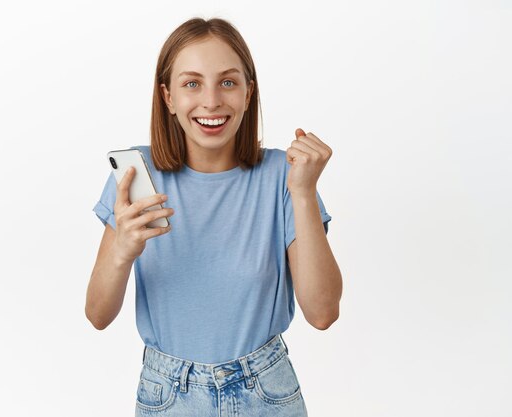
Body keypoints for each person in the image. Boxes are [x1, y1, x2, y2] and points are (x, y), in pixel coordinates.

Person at [85, 17, 342, 417]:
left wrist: (304, 192)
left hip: (266, 391)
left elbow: (323, 313)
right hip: (167, 394)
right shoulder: (139, 176)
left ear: (247, 92)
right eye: (192, 84)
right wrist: (123, 250)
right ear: (167, 97)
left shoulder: (284, 175)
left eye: (227, 82)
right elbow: (98, 315)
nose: (211, 101)